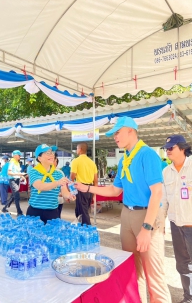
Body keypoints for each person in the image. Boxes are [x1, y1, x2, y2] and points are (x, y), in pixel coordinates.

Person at [75, 116, 171, 303]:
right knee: (133, 273)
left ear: (131, 131)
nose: (115, 137)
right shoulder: (124, 159)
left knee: (154, 276)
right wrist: (86, 188)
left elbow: (157, 193)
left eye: (117, 132)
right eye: (114, 134)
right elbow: (115, 190)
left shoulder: (147, 154)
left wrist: (146, 227)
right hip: (127, 214)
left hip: (147, 215)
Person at [162, 134, 192, 303]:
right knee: (182, 264)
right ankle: (188, 297)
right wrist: (161, 223)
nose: (167, 151)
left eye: (171, 148)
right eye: (166, 149)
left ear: (183, 148)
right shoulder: (166, 172)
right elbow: (163, 200)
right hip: (176, 225)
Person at [26, 144, 74, 224]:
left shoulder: (59, 173)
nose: (52, 155)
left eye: (52, 153)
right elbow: (40, 186)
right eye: (47, 153)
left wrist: (69, 195)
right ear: (39, 158)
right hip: (35, 212)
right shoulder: (34, 171)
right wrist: (57, 182)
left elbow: (64, 191)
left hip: (52, 212)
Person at [70, 142, 98, 225]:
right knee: (82, 210)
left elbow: (72, 177)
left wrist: (70, 191)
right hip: (90, 189)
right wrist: (94, 194)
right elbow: (96, 180)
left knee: (83, 213)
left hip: (81, 188)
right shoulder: (92, 163)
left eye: (77, 148)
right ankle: (82, 227)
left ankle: (87, 230)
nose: (76, 150)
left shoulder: (76, 161)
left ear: (80, 149)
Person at [2, 150, 26, 216]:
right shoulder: (12, 162)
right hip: (13, 180)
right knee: (17, 196)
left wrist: (22, 176)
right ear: (15, 155)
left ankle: (4, 208)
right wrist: (19, 174)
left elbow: (17, 172)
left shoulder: (17, 163)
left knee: (14, 196)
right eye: (19, 155)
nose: (20, 156)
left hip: (17, 180)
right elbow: (9, 172)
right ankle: (19, 212)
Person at [54, 153, 64, 218]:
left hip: (58, 200)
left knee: (57, 218)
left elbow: (64, 188)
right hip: (50, 203)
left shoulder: (60, 173)